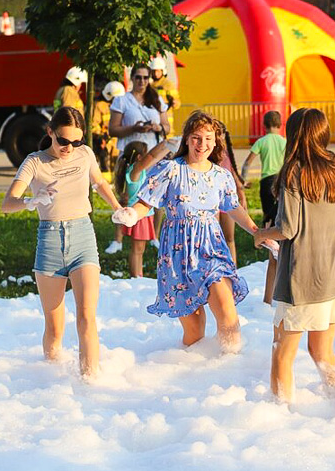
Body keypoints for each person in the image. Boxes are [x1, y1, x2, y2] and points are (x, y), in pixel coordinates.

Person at [253, 108, 335, 402]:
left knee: (283, 352)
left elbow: (286, 229)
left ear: (292, 135)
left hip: (302, 280)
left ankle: (280, 414)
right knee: (322, 351)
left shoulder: (293, 172)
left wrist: (260, 234)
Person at [111, 110, 260, 353]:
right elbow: (145, 203)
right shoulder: (170, 170)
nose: (202, 144)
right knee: (195, 331)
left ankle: (232, 365)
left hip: (211, 249)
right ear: (187, 140)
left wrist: (257, 232)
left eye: (208, 138)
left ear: (216, 141)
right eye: (197, 138)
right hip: (177, 256)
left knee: (226, 311)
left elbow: (233, 208)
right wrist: (130, 215)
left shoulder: (221, 175)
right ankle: (194, 378)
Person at [1, 107, 122, 377]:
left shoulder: (85, 154)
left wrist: (116, 207)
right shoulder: (34, 162)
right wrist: (31, 201)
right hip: (51, 242)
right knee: (55, 329)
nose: (69, 147)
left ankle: (90, 384)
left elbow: (100, 182)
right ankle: (50, 383)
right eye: (63, 141)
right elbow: (6, 204)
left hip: (83, 238)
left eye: (76, 141)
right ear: (50, 133)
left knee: (86, 318)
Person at [108, 63, 171, 253]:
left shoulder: (156, 99)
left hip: (152, 153)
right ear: (132, 78)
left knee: (156, 194)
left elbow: (167, 126)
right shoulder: (122, 101)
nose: (142, 81)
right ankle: (118, 238)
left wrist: (159, 128)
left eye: (145, 77)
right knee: (126, 195)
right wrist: (134, 128)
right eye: (138, 77)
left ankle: (154, 235)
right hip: (131, 153)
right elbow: (113, 129)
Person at [113, 138, 177, 277]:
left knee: (140, 249)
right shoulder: (135, 171)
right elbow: (152, 157)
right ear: (139, 157)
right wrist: (165, 145)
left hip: (144, 215)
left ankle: (137, 275)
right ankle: (136, 277)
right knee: (137, 249)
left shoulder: (139, 171)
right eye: (145, 153)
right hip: (138, 215)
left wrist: (167, 145)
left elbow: (153, 158)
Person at [240, 110, 285, 305]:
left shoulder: (262, 141)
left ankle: (267, 242)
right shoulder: (284, 141)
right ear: (280, 124)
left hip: (267, 180)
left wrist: (244, 178)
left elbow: (248, 162)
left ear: (264, 125)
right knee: (279, 214)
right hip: (282, 179)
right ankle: (276, 241)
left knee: (268, 215)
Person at [217, 128, 247, 263]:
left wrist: (242, 196)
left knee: (229, 238)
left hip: (227, 200)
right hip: (213, 201)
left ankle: (233, 269)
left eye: (221, 134)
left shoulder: (227, 154)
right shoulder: (207, 154)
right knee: (214, 238)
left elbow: (234, 174)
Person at [149, 57, 181, 128]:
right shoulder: (149, 85)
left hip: (166, 118)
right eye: (154, 71)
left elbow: (177, 101)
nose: (156, 73)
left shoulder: (168, 84)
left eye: (158, 71)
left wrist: (175, 102)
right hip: (153, 119)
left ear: (163, 71)